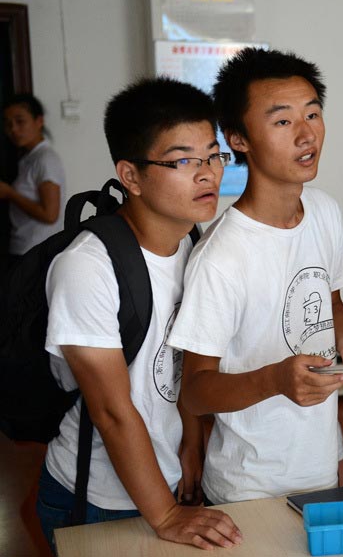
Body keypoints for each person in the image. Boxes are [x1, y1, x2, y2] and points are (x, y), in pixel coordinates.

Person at [167, 48, 343, 504]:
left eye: (313, 114)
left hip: (321, 463)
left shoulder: (324, 211)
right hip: (248, 487)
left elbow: (332, 302)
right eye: (283, 122)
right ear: (238, 138)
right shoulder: (221, 256)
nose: (307, 135)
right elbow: (195, 393)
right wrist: (274, 380)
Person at [36, 78, 241, 552]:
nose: (208, 174)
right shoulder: (87, 266)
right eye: (184, 160)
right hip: (93, 495)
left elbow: (183, 360)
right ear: (130, 176)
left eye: (213, 155)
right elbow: (111, 410)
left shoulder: (191, 243)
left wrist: (190, 444)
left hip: (165, 477)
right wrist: (166, 514)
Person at [1, 94, 66, 262]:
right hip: (26, 249)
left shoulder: (45, 159)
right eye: (8, 124)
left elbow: (50, 215)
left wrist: (10, 194)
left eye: (20, 121)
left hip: (35, 252)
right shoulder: (29, 158)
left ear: (39, 121)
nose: (13, 129)